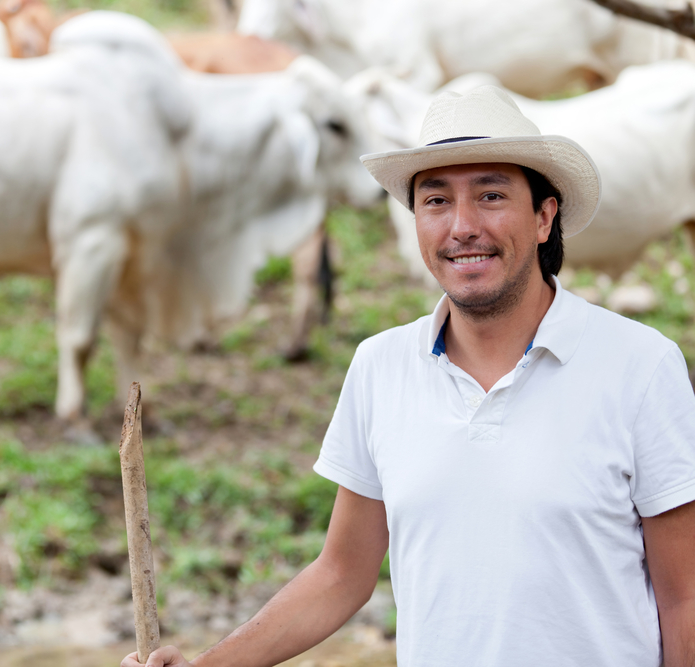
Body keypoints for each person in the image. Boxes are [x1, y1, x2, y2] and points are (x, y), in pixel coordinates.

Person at [121, 86, 695, 667]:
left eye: (491, 195)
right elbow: (342, 574)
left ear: (545, 216)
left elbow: (684, 602)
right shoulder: (380, 366)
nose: (462, 227)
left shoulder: (640, 367)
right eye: (436, 201)